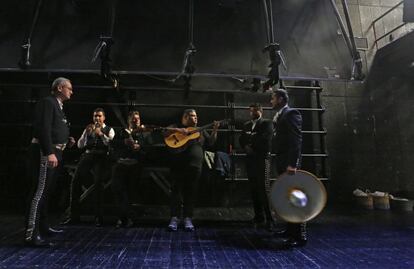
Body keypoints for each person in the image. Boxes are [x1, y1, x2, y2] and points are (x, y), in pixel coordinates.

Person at [25, 77, 75, 247]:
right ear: (60, 88)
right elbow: (42, 128)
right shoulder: (48, 102)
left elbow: (54, 129)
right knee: (39, 192)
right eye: (69, 88)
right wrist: (49, 152)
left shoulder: (58, 106)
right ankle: (31, 234)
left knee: (45, 192)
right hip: (45, 152)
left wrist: (66, 140)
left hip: (57, 151)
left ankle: (43, 226)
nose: (71, 91)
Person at [165, 109, 219, 231]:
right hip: (177, 164)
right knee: (176, 190)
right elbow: (164, 132)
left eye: (195, 116)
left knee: (191, 191)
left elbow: (211, 142)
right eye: (191, 116)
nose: (194, 118)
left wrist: (215, 129)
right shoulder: (176, 126)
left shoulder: (201, 130)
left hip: (195, 165)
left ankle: (188, 218)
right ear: (184, 118)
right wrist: (180, 130)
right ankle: (174, 218)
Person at [63, 108, 115, 227]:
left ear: (104, 118)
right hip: (88, 154)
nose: (97, 118)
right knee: (75, 181)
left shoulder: (109, 129)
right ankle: (73, 216)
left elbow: (110, 143)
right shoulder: (89, 128)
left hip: (102, 156)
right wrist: (86, 133)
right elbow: (80, 145)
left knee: (98, 184)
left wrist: (101, 134)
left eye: (99, 116)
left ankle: (98, 217)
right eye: (95, 116)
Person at [270, 88, 306, 247]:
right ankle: (290, 231)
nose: (271, 101)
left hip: (290, 164)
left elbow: (296, 141)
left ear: (280, 99)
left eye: (273, 98)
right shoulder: (280, 115)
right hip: (282, 162)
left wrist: (293, 164)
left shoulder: (292, 114)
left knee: (296, 200)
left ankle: (300, 236)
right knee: (288, 198)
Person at [111, 111, 152, 228]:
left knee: (130, 191)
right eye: (133, 119)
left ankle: (127, 218)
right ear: (128, 120)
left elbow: (150, 150)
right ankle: (121, 217)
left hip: (135, 165)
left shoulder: (144, 134)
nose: (136, 121)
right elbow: (113, 145)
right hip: (120, 164)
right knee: (117, 189)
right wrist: (124, 142)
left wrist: (140, 147)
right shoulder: (121, 132)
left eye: (137, 119)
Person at [239, 103, 276, 231]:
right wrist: (246, 147)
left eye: (255, 111)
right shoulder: (246, 125)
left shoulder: (267, 124)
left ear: (261, 111)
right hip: (250, 159)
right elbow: (241, 139)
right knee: (253, 187)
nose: (252, 113)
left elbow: (265, 139)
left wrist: (251, 146)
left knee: (264, 188)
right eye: (251, 111)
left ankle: (270, 218)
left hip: (262, 158)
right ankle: (259, 216)